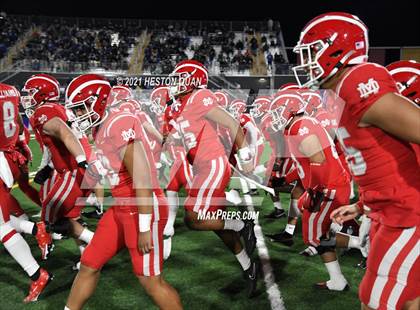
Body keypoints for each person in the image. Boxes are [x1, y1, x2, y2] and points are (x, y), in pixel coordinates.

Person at [293, 12, 419, 309]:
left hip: (408, 217)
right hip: (388, 213)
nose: (306, 61)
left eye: (312, 51)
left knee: (377, 302)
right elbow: (382, 159)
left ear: (336, 48)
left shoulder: (357, 80)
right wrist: (362, 204)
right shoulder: (336, 94)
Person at [64, 74, 182, 310]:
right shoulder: (103, 126)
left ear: (95, 102)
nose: (77, 116)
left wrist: (145, 227)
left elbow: (142, 177)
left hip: (142, 207)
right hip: (121, 207)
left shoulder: (119, 123)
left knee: (150, 280)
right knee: (89, 262)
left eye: (80, 109)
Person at [166, 60, 259, 297]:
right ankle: (248, 267)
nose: (175, 83)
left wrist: (245, 152)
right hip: (202, 168)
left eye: (181, 77)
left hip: (213, 164)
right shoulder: (181, 106)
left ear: (193, 80)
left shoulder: (199, 96)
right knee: (215, 223)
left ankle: (242, 223)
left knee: (193, 217)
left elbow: (229, 121)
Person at [268, 89, 352, 291]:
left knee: (315, 236)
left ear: (292, 109)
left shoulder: (300, 125)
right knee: (320, 233)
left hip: (327, 186)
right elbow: (303, 165)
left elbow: (318, 161)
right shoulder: (296, 125)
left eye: (279, 111)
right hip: (330, 183)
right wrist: (283, 179)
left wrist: (313, 192)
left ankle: (362, 245)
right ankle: (338, 280)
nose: (275, 117)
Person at [0, 82, 52, 302]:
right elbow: (20, 122)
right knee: (5, 209)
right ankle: (36, 229)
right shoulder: (10, 89)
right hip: (10, 155)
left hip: (1, 159)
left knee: (1, 228)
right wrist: (21, 144)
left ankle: (37, 274)